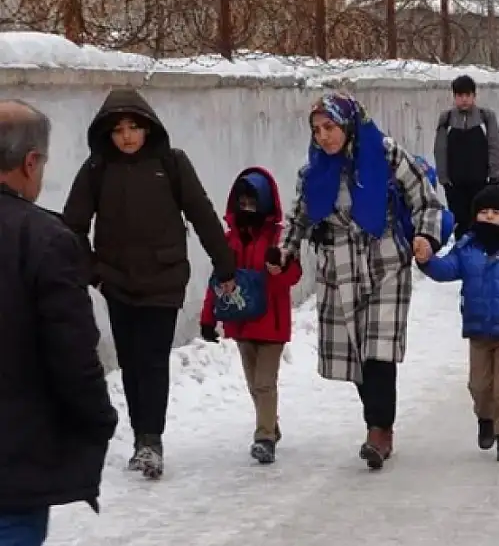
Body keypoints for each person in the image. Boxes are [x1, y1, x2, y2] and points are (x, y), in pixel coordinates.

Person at [62, 88, 235, 480]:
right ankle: (143, 436)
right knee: (130, 362)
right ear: (107, 134)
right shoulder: (96, 169)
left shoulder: (171, 164)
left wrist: (225, 264)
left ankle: (150, 441)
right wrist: (95, 272)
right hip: (118, 281)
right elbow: (72, 226)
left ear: (148, 127)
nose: (126, 136)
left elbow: (202, 213)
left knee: (153, 361)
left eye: (134, 127)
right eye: (119, 129)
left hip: (164, 278)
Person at [279, 93, 447, 470]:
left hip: (385, 260)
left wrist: (426, 237)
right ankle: (378, 420)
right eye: (317, 130)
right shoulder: (314, 171)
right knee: (356, 354)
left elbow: (426, 198)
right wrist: (284, 251)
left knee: (378, 348)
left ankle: (378, 431)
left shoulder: (384, 154)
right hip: (338, 271)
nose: (324, 136)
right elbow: (299, 218)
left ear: (349, 123)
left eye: (331, 127)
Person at [0, 101, 118, 546]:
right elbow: (72, 354)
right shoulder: (44, 241)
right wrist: (96, 420)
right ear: (30, 162)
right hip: (13, 467)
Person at [417, 184, 499, 462]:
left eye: (495, 212)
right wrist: (427, 261)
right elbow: (447, 269)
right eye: (483, 212)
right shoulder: (467, 248)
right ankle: (485, 418)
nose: (489, 217)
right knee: (479, 385)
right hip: (478, 330)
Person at [199, 168, 303, 465]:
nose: (248, 210)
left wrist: (279, 269)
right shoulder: (229, 241)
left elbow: (293, 276)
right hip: (241, 321)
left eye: (253, 204)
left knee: (264, 383)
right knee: (253, 383)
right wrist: (209, 317)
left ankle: (264, 437)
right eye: (243, 204)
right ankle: (270, 424)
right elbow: (218, 280)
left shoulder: (280, 240)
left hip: (271, 323)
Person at [434, 74, 499, 240]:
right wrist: (444, 179)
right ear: (454, 97)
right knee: (461, 226)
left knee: (482, 224)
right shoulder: (447, 119)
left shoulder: (485, 118)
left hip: (482, 182)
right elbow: (440, 149)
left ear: (474, 96)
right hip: (456, 185)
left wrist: (494, 176)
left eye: (467, 95)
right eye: (460, 96)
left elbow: (495, 145)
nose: (464, 100)